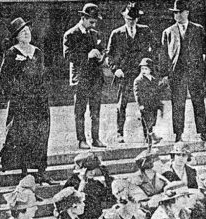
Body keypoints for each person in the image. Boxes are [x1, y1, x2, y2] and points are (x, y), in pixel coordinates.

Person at [0, 17, 56, 185]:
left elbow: (44, 75)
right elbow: (3, 78)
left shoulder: (37, 52)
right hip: (22, 103)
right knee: (24, 135)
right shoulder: (11, 53)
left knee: (41, 134)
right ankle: (25, 172)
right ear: (16, 36)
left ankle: (41, 172)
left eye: (28, 31)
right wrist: (14, 94)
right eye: (22, 32)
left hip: (39, 101)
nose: (26, 34)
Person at [107, 2, 156, 143]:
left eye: (134, 19)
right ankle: (119, 133)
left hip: (141, 75)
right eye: (128, 19)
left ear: (137, 19)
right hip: (124, 75)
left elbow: (156, 48)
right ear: (124, 18)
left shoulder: (145, 31)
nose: (131, 22)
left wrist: (149, 65)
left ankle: (148, 134)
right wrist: (116, 69)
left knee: (145, 104)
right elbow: (109, 55)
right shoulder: (116, 34)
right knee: (121, 104)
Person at [160, 0, 206, 142]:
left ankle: (203, 131)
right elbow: (164, 55)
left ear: (187, 12)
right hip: (177, 73)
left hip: (195, 72)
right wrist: (164, 74)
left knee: (199, 102)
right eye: (175, 13)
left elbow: (204, 51)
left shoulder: (198, 29)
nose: (178, 15)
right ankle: (178, 134)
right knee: (178, 103)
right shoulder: (168, 32)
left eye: (180, 12)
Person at [63, 3, 106, 149]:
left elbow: (102, 50)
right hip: (81, 79)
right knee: (80, 111)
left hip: (95, 78)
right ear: (83, 18)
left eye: (95, 22)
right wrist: (87, 55)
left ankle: (96, 138)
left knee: (96, 111)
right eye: (91, 21)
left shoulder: (95, 34)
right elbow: (68, 56)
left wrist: (101, 57)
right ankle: (81, 140)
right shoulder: (71, 34)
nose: (93, 25)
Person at [63, 151, 116, 219]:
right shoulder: (72, 183)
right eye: (89, 170)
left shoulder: (95, 183)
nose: (92, 173)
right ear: (82, 170)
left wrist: (107, 177)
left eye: (94, 169)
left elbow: (109, 197)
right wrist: (82, 183)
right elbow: (67, 204)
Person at [134, 58, 164, 145]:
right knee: (146, 122)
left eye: (146, 69)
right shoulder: (138, 80)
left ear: (150, 70)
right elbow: (137, 93)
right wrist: (140, 104)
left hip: (153, 104)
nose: (143, 71)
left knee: (153, 120)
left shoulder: (153, 79)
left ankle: (151, 135)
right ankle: (148, 138)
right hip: (145, 104)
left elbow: (156, 91)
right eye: (142, 69)